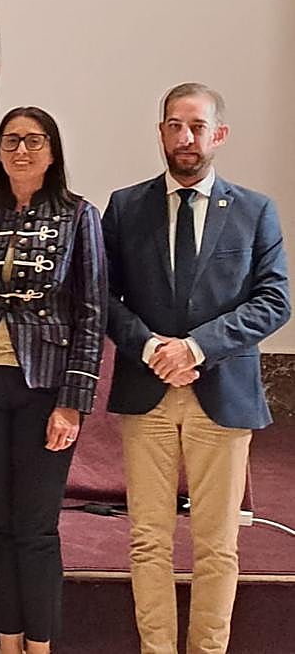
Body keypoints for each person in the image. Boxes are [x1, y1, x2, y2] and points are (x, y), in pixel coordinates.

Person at [102, 82, 289, 654]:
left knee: (217, 544)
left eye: (197, 127)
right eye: (174, 126)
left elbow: (274, 300)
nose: (185, 137)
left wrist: (196, 348)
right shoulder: (125, 207)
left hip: (222, 392)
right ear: (161, 132)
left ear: (219, 135)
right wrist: (152, 348)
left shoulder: (255, 210)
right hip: (148, 390)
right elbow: (102, 295)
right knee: (148, 542)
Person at [0, 107, 107, 654]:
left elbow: (92, 313)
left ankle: (40, 645)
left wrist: (73, 402)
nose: (21, 150)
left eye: (34, 141)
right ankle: (7, 643)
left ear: (53, 151)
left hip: (46, 390)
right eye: (11, 140)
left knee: (36, 527)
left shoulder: (79, 216)